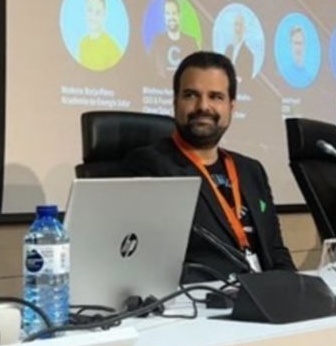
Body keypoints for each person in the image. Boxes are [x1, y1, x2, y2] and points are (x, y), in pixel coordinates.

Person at [126, 51, 294, 282]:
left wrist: (295, 290)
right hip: (207, 304)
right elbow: (153, 261)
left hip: (264, 297)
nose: (203, 106)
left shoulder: (251, 170)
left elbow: (275, 250)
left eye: (216, 97)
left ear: (231, 106)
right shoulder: (150, 166)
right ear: (175, 102)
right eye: (191, 95)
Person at [150, 0, 196, 77]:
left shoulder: (191, 43)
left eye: (174, 13)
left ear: (179, 15)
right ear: (164, 16)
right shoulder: (157, 43)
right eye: (168, 13)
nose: (171, 17)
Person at [78, 0, 123, 71]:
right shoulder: (82, 43)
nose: (93, 16)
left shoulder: (112, 48)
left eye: (98, 12)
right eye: (90, 10)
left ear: (104, 16)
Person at [226, 12, 255, 80]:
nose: (237, 28)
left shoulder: (249, 55)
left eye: (240, 25)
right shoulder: (229, 49)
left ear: (244, 28)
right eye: (236, 24)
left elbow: (248, 80)